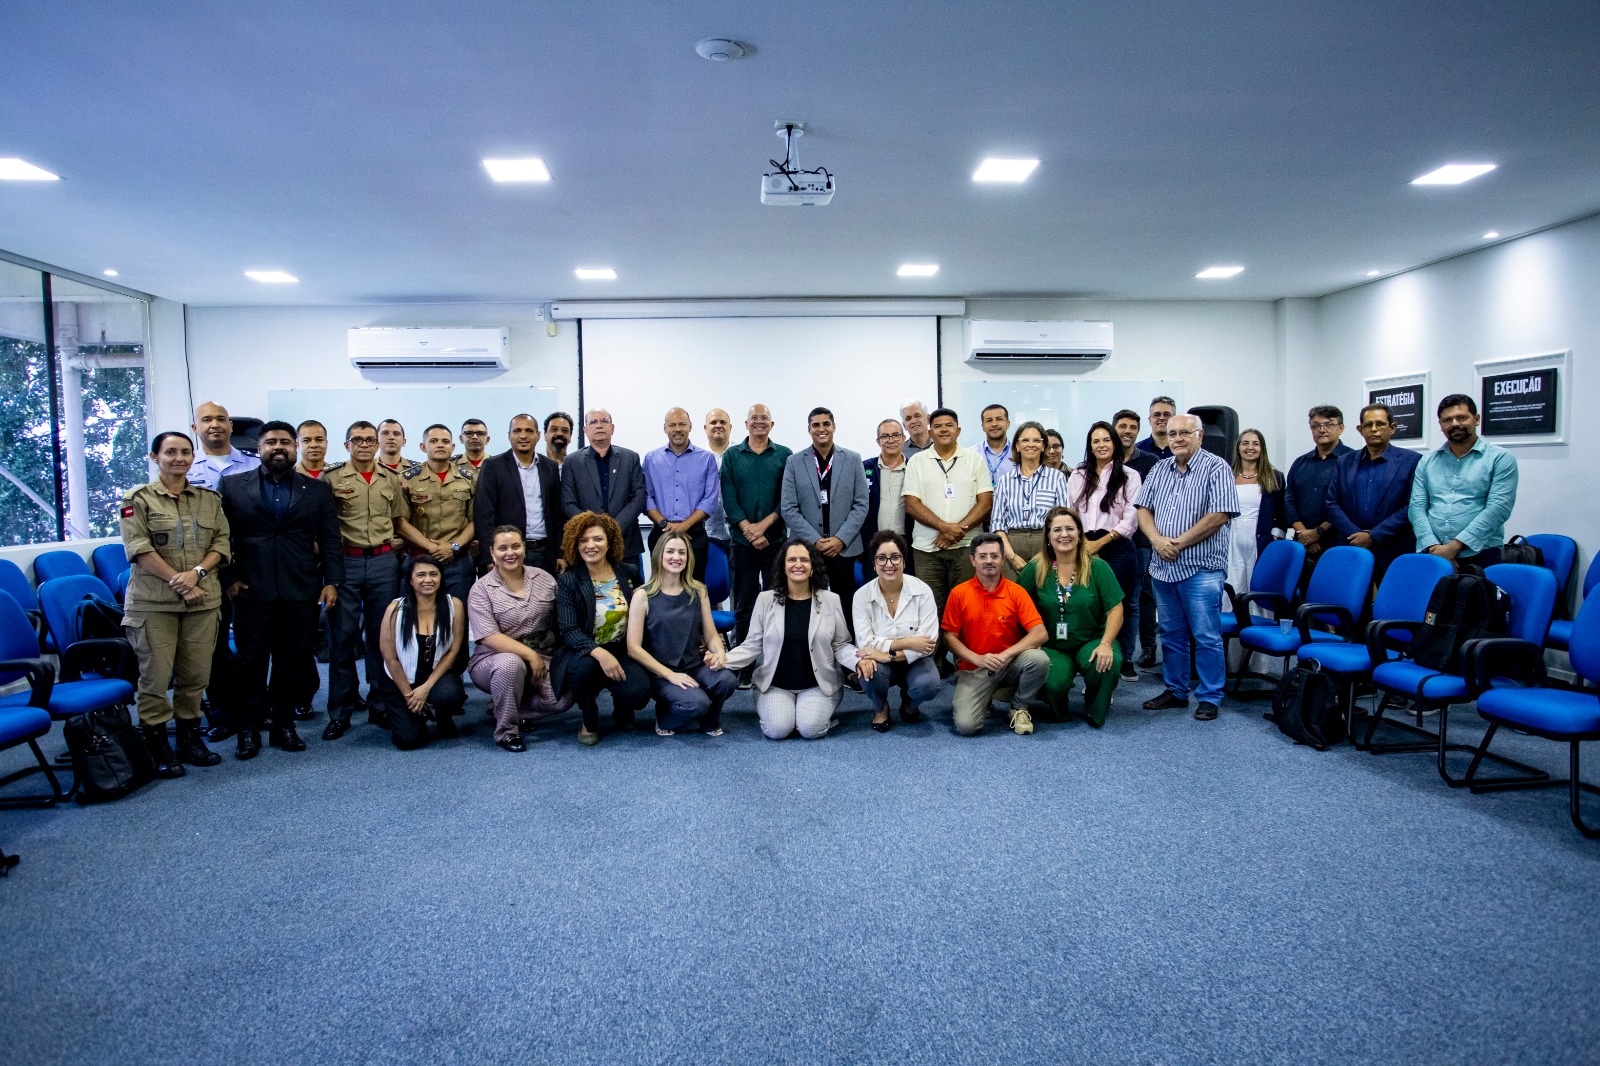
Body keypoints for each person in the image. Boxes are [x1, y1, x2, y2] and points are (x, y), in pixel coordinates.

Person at [219, 420, 342, 758]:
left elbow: (330, 539)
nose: (279, 447)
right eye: (271, 441)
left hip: (299, 589)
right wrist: (227, 578)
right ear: (258, 448)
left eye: (285, 442)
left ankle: (283, 726)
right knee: (251, 663)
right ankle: (248, 729)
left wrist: (332, 581)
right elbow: (219, 537)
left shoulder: (316, 489)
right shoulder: (231, 486)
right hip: (250, 590)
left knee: (292, 662)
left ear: (295, 447)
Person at [120, 431, 230, 778]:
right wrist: (179, 582)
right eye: (170, 452)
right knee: (155, 677)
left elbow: (222, 542)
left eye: (185, 452)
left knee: (195, 675)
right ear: (155, 457)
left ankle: (189, 738)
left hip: (202, 601)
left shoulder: (209, 499)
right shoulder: (137, 499)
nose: (178, 458)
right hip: (154, 604)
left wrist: (196, 573)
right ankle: (157, 745)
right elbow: (138, 549)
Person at [1135, 413, 1240, 721]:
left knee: (1205, 634)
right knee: (1170, 632)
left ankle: (1209, 695)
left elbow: (1220, 514)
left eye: (1184, 433)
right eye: (1172, 434)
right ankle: (1176, 691)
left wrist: (1177, 543)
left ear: (1200, 435)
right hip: (1163, 567)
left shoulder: (1217, 467)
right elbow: (1143, 509)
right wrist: (1156, 541)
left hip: (1201, 566)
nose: (1177, 438)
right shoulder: (1159, 468)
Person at [724, 539, 860, 740]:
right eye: (792, 560)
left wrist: (859, 660)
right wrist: (723, 659)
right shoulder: (765, 600)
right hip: (775, 685)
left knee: (810, 730)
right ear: (783, 566)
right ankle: (789, 713)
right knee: (777, 731)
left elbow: (840, 644)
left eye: (804, 560)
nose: (798, 565)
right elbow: (752, 645)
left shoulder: (830, 600)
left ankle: (810, 716)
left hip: (818, 685)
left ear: (813, 567)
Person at [323, 420, 406, 739]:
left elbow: (398, 520)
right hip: (346, 562)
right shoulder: (331, 478)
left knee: (381, 637)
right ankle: (340, 711)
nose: (364, 445)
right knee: (341, 638)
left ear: (377, 444)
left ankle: (380, 705)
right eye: (356, 440)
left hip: (384, 561)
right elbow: (325, 527)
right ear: (346, 445)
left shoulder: (391, 478)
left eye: (370, 440)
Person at [186, 401, 257, 741]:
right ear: (195, 427)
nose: (214, 424)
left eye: (220, 419)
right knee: (212, 647)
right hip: (205, 570)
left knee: (251, 645)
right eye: (206, 419)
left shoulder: (252, 465)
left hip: (248, 567)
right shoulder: (185, 466)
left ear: (231, 425)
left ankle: (255, 709)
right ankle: (221, 714)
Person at [467, 526, 572, 752]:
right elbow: (489, 636)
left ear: (524, 548)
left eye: (516, 546)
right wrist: (529, 655)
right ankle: (507, 731)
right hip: (494, 659)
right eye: (502, 548)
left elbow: (561, 616)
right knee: (510, 664)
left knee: (562, 700)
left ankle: (510, 707)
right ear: (492, 553)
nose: (510, 553)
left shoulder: (544, 578)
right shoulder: (481, 589)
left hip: (543, 654)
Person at [903, 408, 993, 670]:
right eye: (938, 425)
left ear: (959, 430)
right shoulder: (917, 462)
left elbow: (985, 502)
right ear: (930, 431)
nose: (944, 429)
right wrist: (945, 527)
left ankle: (967, 662)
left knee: (967, 609)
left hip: (966, 549)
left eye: (949, 425)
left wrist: (958, 530)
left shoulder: (975, 460)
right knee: (932, 609)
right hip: (926, 549)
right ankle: (935, 664)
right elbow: (911, 503)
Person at [1018, 507, 1125, 727]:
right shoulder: (1035, 569)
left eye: (1070, 529)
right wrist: (1029, 643)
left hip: (1091, 639)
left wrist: (1106, 644)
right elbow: (1017, 607)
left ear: (1079, 534)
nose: (1063, 534)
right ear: (1048, 536)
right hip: (1051, 645)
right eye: (1057, 529)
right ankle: (1059, 709)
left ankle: (1095, 708)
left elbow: (1116, 609)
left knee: (1106, 663)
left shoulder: (1098, 567)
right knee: (1052, 684)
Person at [625, 531, 736, 736]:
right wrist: (670, 675)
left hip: (694, 665)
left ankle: (709, 721)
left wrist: (720, 653)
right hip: (662, 672)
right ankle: (666, 717)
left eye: (682, 553)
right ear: (659, 555)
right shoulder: (643, 595)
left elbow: (711, 635)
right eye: (670, 552)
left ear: (688, 558)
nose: (676, 557)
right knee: (696, 703)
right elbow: (633, 648)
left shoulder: (698, 591)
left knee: (727, 680)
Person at [553, 511, 651, 745]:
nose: (590, 545)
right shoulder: (569, 580)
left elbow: (643, 616)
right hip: (584, 650)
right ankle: (589, 718)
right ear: (575, 545)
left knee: (638, 692)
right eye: (583, 540)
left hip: (623, 648)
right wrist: (600, 653)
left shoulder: (629, 573)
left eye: (597, 539)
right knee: (582, 672)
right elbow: (568, 629)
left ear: (610, 543)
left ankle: (623, 706)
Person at [941, 533, 1050, 737]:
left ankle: (1019, 708)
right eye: (982, 556)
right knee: (966, 727)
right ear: (972, 560)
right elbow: (949, 638)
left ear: (1002, 559)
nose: (989, 561)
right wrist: (977, 658)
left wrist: (1006, 655)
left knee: (1039, 659)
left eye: (994, 556)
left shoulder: (1016, 592)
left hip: (1008, 664)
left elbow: (1040, 633)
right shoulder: (959, 593)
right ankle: (985, 699)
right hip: (974, 668)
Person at [1067, 421, 1143, 680]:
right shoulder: (1078, 475)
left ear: (1115, 443)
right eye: (1096, 441)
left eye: (1106, 440)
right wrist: (1082, 545)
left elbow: (1131, 518)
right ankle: (1091, 654)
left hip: (1117, 546)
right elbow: (1071, 512)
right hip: (1084, 545)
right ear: (1090, 445)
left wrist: (1100, 544)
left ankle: (1125, 658)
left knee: (1122, 604)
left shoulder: (1130, 475)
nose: (1101, 445)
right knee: (1089, 603)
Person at [1408, 393, 1519, 569]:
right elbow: (1416, 507)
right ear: (1441, 425)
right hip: (1432, 552)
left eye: (1462, 417)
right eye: (1447, 420)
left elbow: (1498, 509)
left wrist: (1454, 547)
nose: (1455, 424)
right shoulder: (1427, 462)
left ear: (1476, 419)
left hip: (1482, 554)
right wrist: (1432, 546)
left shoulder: (1500, 458)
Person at [721, 404, 792, 675]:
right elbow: (729, 497)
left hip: (775, 542)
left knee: (778, 602)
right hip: (741, 543)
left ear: (771, 425)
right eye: (754, 418)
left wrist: (762, 528)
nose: (759, 422)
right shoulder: (731, 456)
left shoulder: (785, 455)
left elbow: (787, 499)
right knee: (744, 605)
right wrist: (749, 530)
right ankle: (745, 667)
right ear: (746, 424)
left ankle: (777, 664)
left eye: (764, 418)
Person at [780, 407, 869, 619]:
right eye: (816, 425)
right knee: (808, 605)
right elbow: (789, 508)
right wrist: (815, 541)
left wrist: (840, 539)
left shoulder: (853, 459)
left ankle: (845, 649)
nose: (822, 429)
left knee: (845, 606)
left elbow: (861, 504)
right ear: (809, 429)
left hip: (843, 549)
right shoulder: (794, 462)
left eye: (826, 424)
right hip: (808, 549)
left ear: (834, 427)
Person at [377, 557, 467, 750]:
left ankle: (443, 717)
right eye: (421, 575)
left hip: (435, 676)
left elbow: (453, 650)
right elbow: (390, 658)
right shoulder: (395, 609)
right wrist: (411, 697)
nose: (428, 579)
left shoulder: (455, 605)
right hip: (400, 681)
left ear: (441, 577)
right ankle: (417, 714)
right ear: (410, 581)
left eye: (434, 574)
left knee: (451, 695)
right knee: (408, 741)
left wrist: (426, 687)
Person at [853, 530, 939, 731]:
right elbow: (866, 644)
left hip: (915, 660)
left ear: (904, 562)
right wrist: (909, 642)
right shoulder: (861, 596)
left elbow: (928, 643)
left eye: (895, 557)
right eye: (881, 558)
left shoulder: (922, 591)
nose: (888, 564)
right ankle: (881, 708)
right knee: (868, 671)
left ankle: (909, 703)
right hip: (883, 660)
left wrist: (887, 655)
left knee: (929, 684)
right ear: (874, 564)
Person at [1325, 403, 1420, 580]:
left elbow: (1411, 506)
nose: (1374, 429)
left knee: (1392, 604)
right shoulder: (1344, 462)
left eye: (1380, 424)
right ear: (1360, 430)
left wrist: (1373, 536)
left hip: (1393, 548)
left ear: (1392, 428)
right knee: (1351, 605)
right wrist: (1356, 536)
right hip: (1352, 545)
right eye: (1368, 425)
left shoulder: (1412, 461)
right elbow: (1332, 503)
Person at [474, 414, 564, 575]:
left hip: (544, 552)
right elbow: (484, 515)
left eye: (529, 431)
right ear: (509, 436)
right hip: (507, 553)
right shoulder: (493, 466)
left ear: (538, 436)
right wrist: (489, 557)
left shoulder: (549, 467)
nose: (523, 436)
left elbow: (557, 514)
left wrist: (560, 553)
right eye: (517, 431)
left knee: (544, 600)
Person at [399, 423, 477, 607]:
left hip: (457, 561)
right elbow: (400, 522)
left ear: (453, 446)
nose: (440, 445)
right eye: (433, 441)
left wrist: (454, 546)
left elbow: (476, 520)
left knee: (458, 615)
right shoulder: (406, 479)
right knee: (415, 616)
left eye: (445, 441)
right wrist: (430, 547)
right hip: (418, 559)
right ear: (423, 446)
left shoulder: (470, 478)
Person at [561, 409, 649, 566]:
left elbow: (639, 497)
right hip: (587, 545)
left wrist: (613, 529)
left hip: (626, 544)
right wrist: (594, 532)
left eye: (604, 421)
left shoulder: (630, 458)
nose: (599, 425)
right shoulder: (572, 462)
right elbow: (568, 503)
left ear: (612, 428)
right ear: (585, 430)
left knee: (631, 590)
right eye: (593, 422)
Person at [643, 406, 720, 583]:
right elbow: (646, 496)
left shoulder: (707, 459)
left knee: (694, 587)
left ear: (690, 426)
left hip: (695, 535)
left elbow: (709, 500)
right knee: (660, 586)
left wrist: (684, 525)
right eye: (672, 425)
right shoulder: (651, 459)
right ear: (665, 428)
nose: (677, 429)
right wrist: (664, 523)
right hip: (660, 532)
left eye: (682, 424)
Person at [1282, 405, 1355, 578]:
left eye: (1328, 424)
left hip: (1338, 544)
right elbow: (1288, 499)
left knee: (1336, 600)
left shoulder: (1353, 461)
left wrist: (1318, 533)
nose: (1322, 430)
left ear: (1341, 428)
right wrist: (1304, 534)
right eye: (1315, 425)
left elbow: (1348, 502)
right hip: (1302, 545)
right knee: (1302, 601)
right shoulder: (1300, 463)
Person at [992, 420, 1069, 582]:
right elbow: (997, 525)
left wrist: (1045, 553)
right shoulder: (1005, 480)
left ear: (1043, 446)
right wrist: (1012, 557)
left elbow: (1062, 521)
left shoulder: (1057, 478)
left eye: (1036, 440)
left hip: (1047, 545)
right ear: (1017, 447)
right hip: (1011, 547)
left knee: (1046, 599)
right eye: (1025, 440)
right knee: (1013, 600)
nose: (1031, 445)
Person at [1114, 409, 1161, 668]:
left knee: (1139, 598)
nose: (1128, 431)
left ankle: (1137, 653)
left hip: (1140, 541)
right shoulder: (1105, 460)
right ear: (1114, 429)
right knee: (1112, 599)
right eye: (1122, 426)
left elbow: (1152, 501)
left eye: (1132, 427)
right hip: (1112, 541)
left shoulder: (1150, 461)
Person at [1225, 429, 1285, 604]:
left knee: (1258, 582)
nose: (1250, 448)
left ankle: (1260, 625)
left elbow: (1282, 513)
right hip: (1232, 537)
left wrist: (1274, 537)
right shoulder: (1227, 475)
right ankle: (1233, 624)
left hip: (1261, 537)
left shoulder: (1275, 477)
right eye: (1245, 443)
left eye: (1255, 443)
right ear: (1238, 448)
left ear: (1262, 448)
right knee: (1233, 581)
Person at [861, 418, 913, 556]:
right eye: (885, 436)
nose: (891, 440)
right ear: (878, 441)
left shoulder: (914, 468)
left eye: (896, 435)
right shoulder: (864, 468)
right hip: (873, 541)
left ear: (903, 438)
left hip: (907, 542)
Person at [702, 408, 733, 557]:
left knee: (739, 580)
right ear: (705, 428)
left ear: (730, 427)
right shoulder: (696, 456)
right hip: (706, 534)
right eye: (713, 422)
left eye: (723, 422)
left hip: (740, 535)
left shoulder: (741, 454)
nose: (718, 425)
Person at [978, 403, 1015, 482]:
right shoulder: (972, 453)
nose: (994, 424)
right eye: (989, 420)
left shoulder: (1019, 452)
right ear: (983, 427)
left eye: (999, 419)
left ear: (1007, 424)